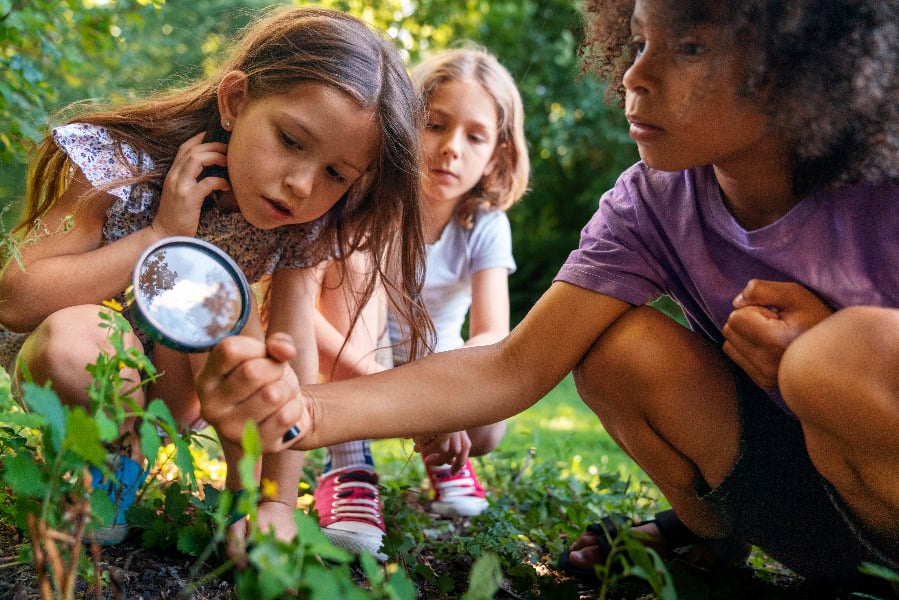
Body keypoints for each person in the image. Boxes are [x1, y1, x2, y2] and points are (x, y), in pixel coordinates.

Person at [197, 0, 899, 586]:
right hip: (809, 511)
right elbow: (511, 365)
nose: (636, 75)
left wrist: (828, 344)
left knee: (834, 357)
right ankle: (711, 539)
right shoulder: (650, 203)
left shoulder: (881, 189)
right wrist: (297, 410)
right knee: (617, 350)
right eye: (637, 41)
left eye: (687, 49)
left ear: (801, 66)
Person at [0, 6, 431, 545]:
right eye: (292, 141)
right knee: (79, 339)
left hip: (180, 389)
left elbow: (289, 357)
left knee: (228, 313)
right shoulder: (121, 165)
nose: (301, 184)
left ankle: (246, 500)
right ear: (234, 101)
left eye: (335, 174)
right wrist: (158, 236)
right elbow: (14, 301)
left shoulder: (299, 228)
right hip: (75, 363)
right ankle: (107, 465)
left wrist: (276, 501)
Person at [301, 47, 529, 558]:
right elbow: (302, 320)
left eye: (475, 137)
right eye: (435, 125)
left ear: (497, 154)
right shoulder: (365, 201)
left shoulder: (485, 224)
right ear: (405, 124)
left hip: (434, 367)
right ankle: (349, 461)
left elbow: (493, 334)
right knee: (356, 265)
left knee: (490, 423)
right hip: (352, 359)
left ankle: (444, 455)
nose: (452, 149)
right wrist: (409, 407)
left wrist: (446, 404)